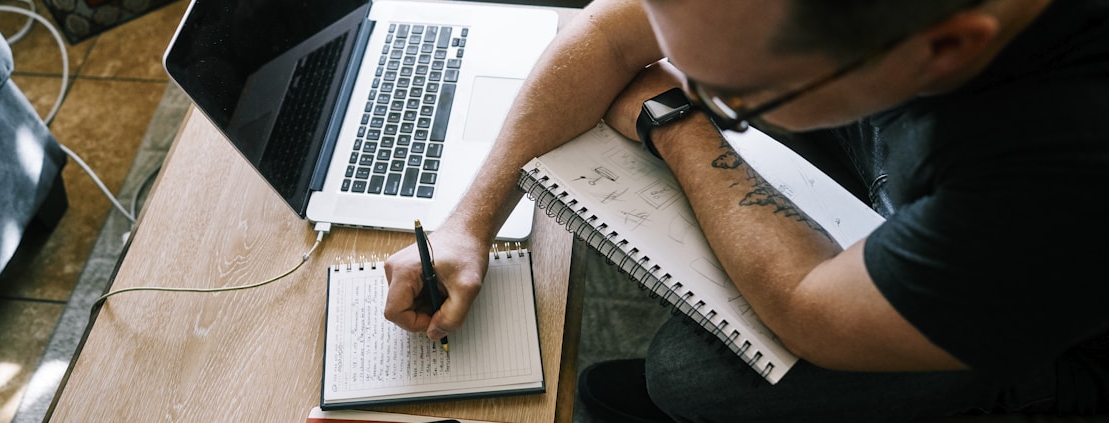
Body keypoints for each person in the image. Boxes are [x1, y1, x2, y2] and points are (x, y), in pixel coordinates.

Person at [383, 0, 1109, 421]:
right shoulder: (875, 31)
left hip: (1062, 331)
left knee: (687, 375)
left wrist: (675, 119)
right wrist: (467, 223)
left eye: (737, 97)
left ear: (945, 49)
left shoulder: (1059, 173)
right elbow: (610, 33)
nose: (694, 86)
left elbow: (810, 305)